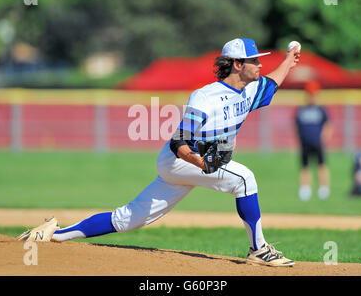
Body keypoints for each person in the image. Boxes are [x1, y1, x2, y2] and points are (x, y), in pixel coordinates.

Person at [17, 38, 301, 267]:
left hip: (189, 167)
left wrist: (289, 59)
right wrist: (200, 162)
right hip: (180, 160)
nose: (260, 64)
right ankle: (258, 249)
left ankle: (53, 235)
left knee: (128, 219)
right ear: (238, 65)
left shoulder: (249, 90)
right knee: (244, 179)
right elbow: (179, 141)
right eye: (254, 60)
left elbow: (273, 82)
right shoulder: (205, 97)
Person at [295, 81, 332, 201]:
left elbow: (327, 125)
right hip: (305, 143)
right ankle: (305, 189)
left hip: (318, 143)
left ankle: (323, 189)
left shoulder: (321, 110)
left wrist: (324, 137)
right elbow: (297, 126)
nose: (312, 97)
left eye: (314, 94)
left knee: (321, 165)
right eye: (310, 94)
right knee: (305, 166)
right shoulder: (301, 110)